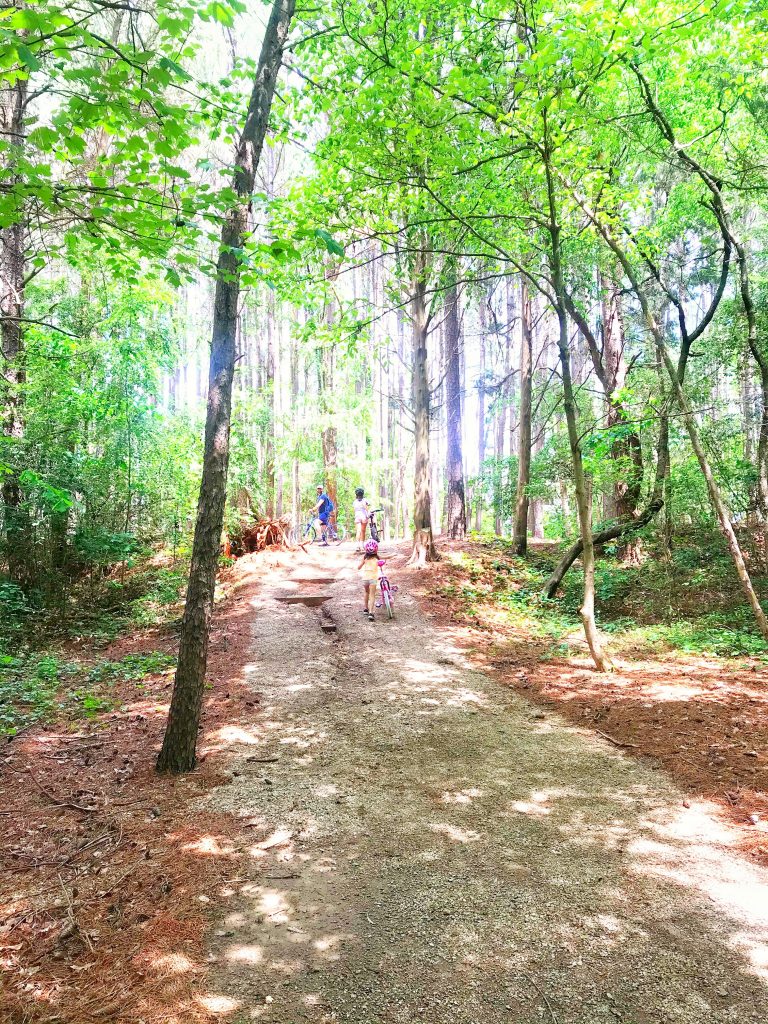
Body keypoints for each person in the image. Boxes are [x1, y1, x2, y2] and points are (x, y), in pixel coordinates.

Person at [358, 539, 380, 621]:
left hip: (365, 579)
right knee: (372, 595)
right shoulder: (377, 558)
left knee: (366, 592)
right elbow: (384, 559)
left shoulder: (365, 558)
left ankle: (365, 609)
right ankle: (371, 612)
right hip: (373, 579)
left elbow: (358, 567)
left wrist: (362, 564)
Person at [353, 487, 371, 552]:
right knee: (363, 531)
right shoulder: (365, 500)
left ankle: (357, 546)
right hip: (364, 516)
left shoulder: (354, 501)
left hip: (357, 516)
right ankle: (362, 546)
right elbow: (368, 505)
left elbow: (354, 510)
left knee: (358, 531)